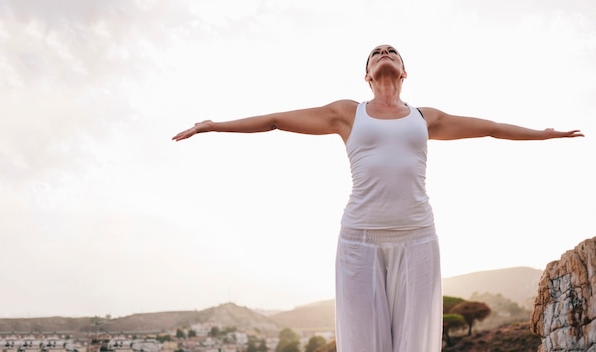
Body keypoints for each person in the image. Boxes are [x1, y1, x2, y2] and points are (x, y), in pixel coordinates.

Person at [172, 44, 583, 352]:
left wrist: (542, 134)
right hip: (359, 240)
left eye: (392, 51)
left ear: (404, 70)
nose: (384, 54)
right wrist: (214, 125)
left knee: (416, 342)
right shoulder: (347, 113)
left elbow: (491, 127)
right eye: (375, 53)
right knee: (361, 342)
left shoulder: (427, 118)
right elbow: (277, 120)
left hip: (417, 238)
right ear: (367, 75)